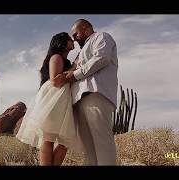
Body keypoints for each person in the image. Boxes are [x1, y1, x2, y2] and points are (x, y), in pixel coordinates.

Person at [16, 32, 78, 166]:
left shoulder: (64, 60)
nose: (72, 40)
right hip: (53, 99)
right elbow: (55, 81)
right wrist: (74, 69)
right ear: (61, 42)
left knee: (63, 142)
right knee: (48, 138)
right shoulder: (56, 57)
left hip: (61, 100)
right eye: (69, 39)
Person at [64, 19, 119, 165]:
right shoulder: (81, 51)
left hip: (95, 94)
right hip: (80, 99)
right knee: (88, 148)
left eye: (75, 34)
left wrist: (75, 75)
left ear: (86, 28)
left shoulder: (101, 37)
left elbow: (102, 58)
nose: (74, 39)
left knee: (102, 141)